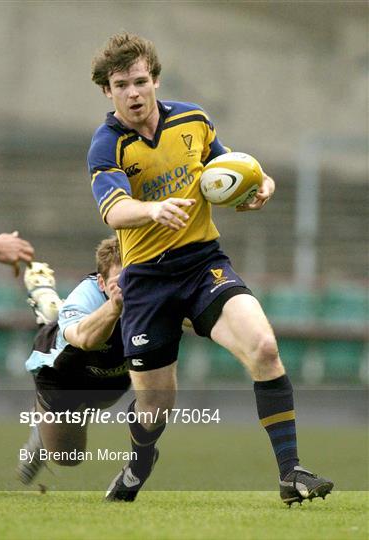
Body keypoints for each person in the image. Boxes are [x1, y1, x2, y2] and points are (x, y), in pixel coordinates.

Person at [88, 32, 333, 505]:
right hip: (147, 281)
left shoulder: (193, 119)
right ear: (108, 91)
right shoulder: (107, 145)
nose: (134, 93)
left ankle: (290, 473)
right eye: (122, 85)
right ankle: (139, 463)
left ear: (155, 79)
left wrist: (262, 185)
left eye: (140, 81)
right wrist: (152, 211)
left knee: (263, 347)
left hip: (203, 265)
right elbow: (114, 211)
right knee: (155, 406)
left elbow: (232, 168)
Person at [17, 237, 131, 485]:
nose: (131, 287)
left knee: (102, 400)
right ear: (102, 282)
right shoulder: (86, 296)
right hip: (62, 372)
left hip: (109, 373)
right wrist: (114, 308)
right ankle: (49, 309)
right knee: (68, 457)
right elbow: (84, 339)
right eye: (122, 280)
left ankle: (54, 311)